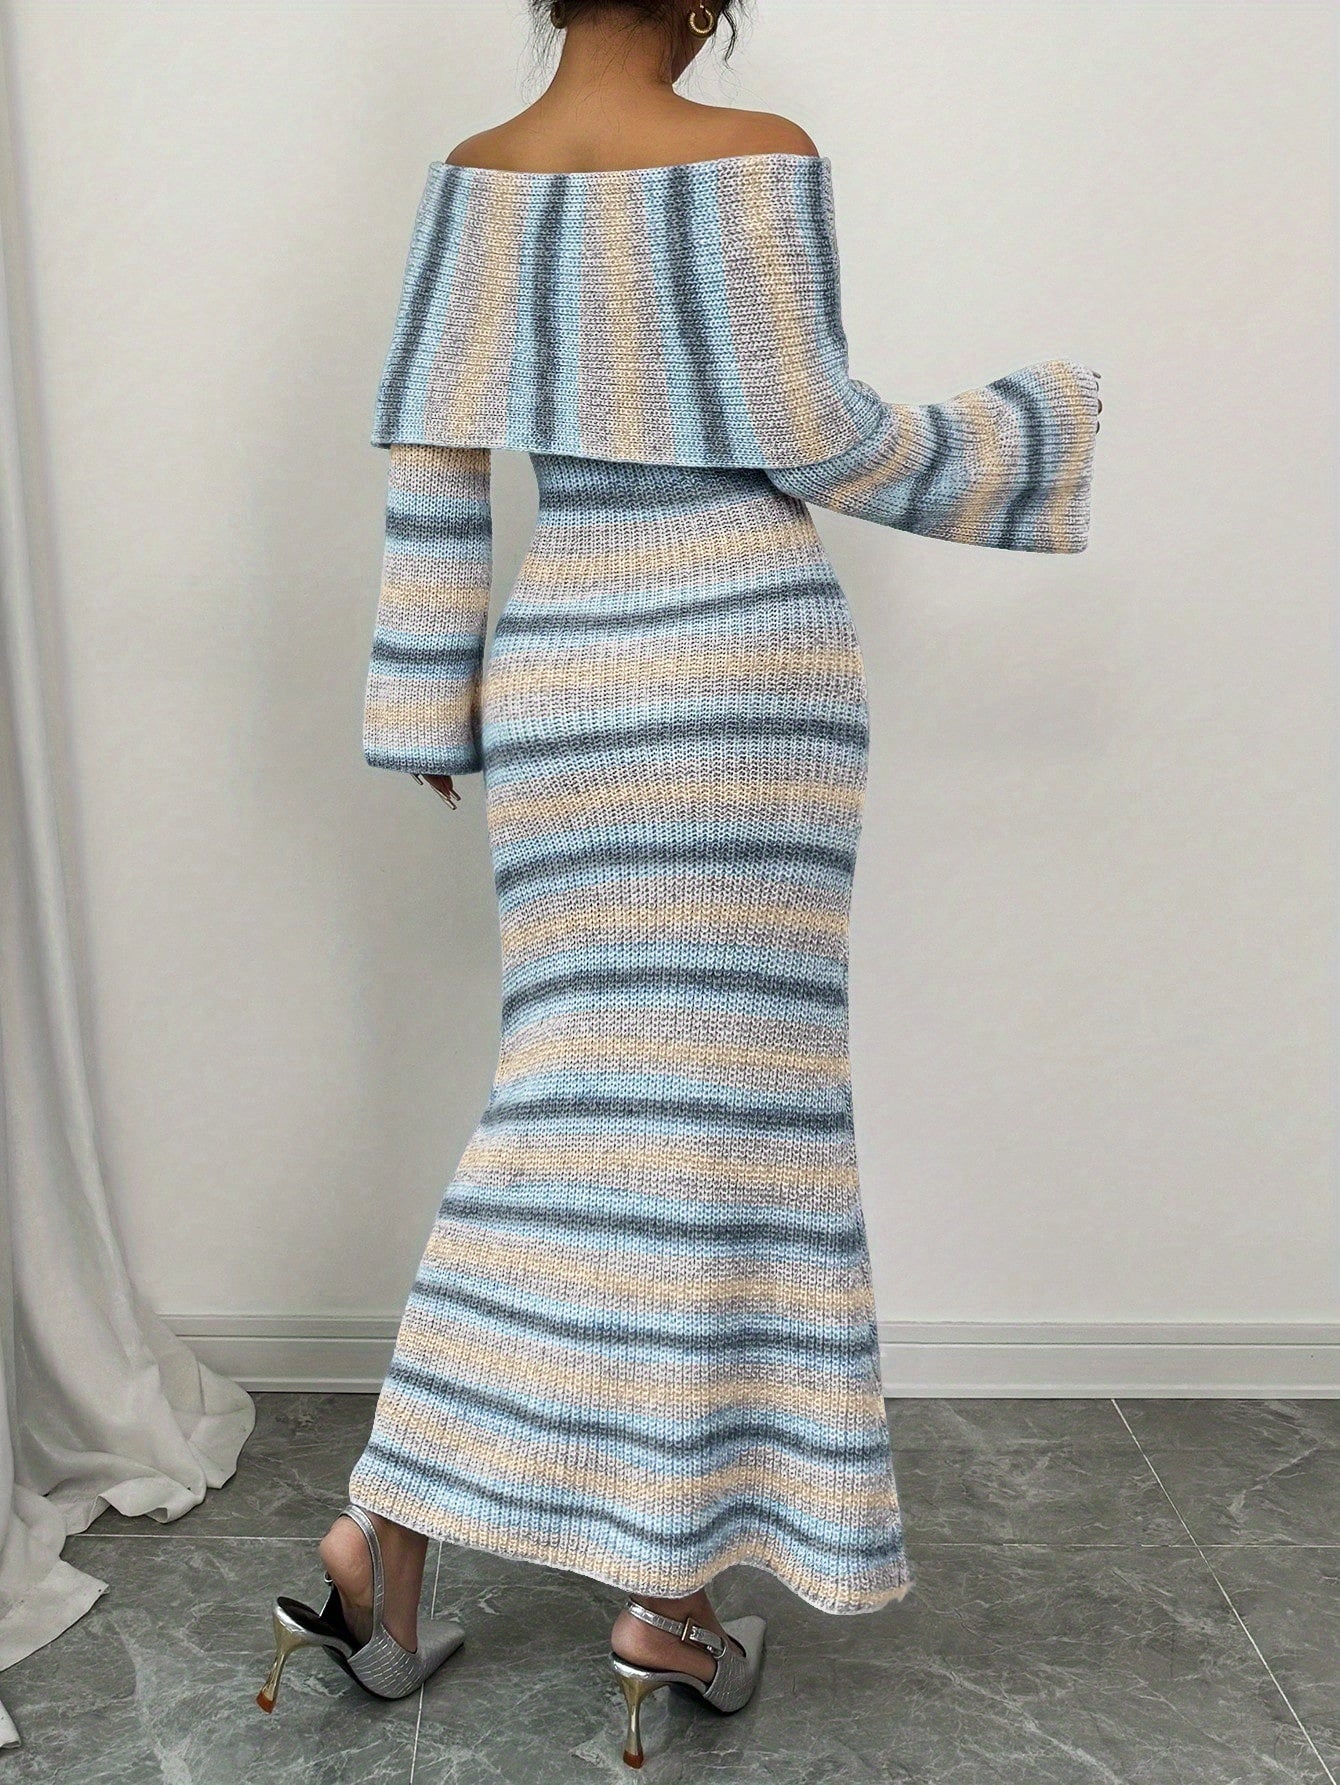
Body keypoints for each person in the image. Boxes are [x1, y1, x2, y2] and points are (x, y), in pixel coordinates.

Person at [258, 0, 1101, 1766]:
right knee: (733, 1120)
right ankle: (662, 1597)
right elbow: (820, 436)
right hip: (744, 666)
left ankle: (384, 1540)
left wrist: (429, 700)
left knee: (561, 1098)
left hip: (564, 664)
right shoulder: (758, 158)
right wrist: (1026, 437)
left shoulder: (469, 182)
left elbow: (434, 468)